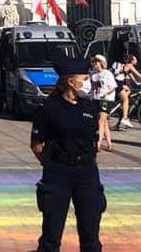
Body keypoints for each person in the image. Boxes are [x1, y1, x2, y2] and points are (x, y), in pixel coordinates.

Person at [31, 53, 112, 252]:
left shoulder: (89, 106)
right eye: (84, 79)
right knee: (52, 232)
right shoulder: (49, 108)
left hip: (87, 172)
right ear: (70, 81)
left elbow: (93, 140)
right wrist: (54, 162)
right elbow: (37, 144)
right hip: (58, 173)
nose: (87, 82)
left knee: (91, 232)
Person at [113, 53, 141, 130]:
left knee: (127, 93)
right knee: (126, 99)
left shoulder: (125, 66)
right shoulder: (130, 66)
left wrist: (138, 83)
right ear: (131, 61)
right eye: (135, 59)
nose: (136, 61)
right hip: (118, 83)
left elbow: (133, 77)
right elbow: (138, 75)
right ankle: (125, 119)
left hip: (118, 82)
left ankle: (120, 122)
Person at [90, 55, 117, 121]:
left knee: (101, 121)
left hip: (106, 100)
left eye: (96, 62)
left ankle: (100, 131)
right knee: (103, 123)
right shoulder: (93, 74)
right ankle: (105, 131)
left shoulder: (107, 73)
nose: (94, 63)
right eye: (94, 61)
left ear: (101, 63)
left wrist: (106, 93)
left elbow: (113, 86)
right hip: (96, 98)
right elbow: (92, 86)